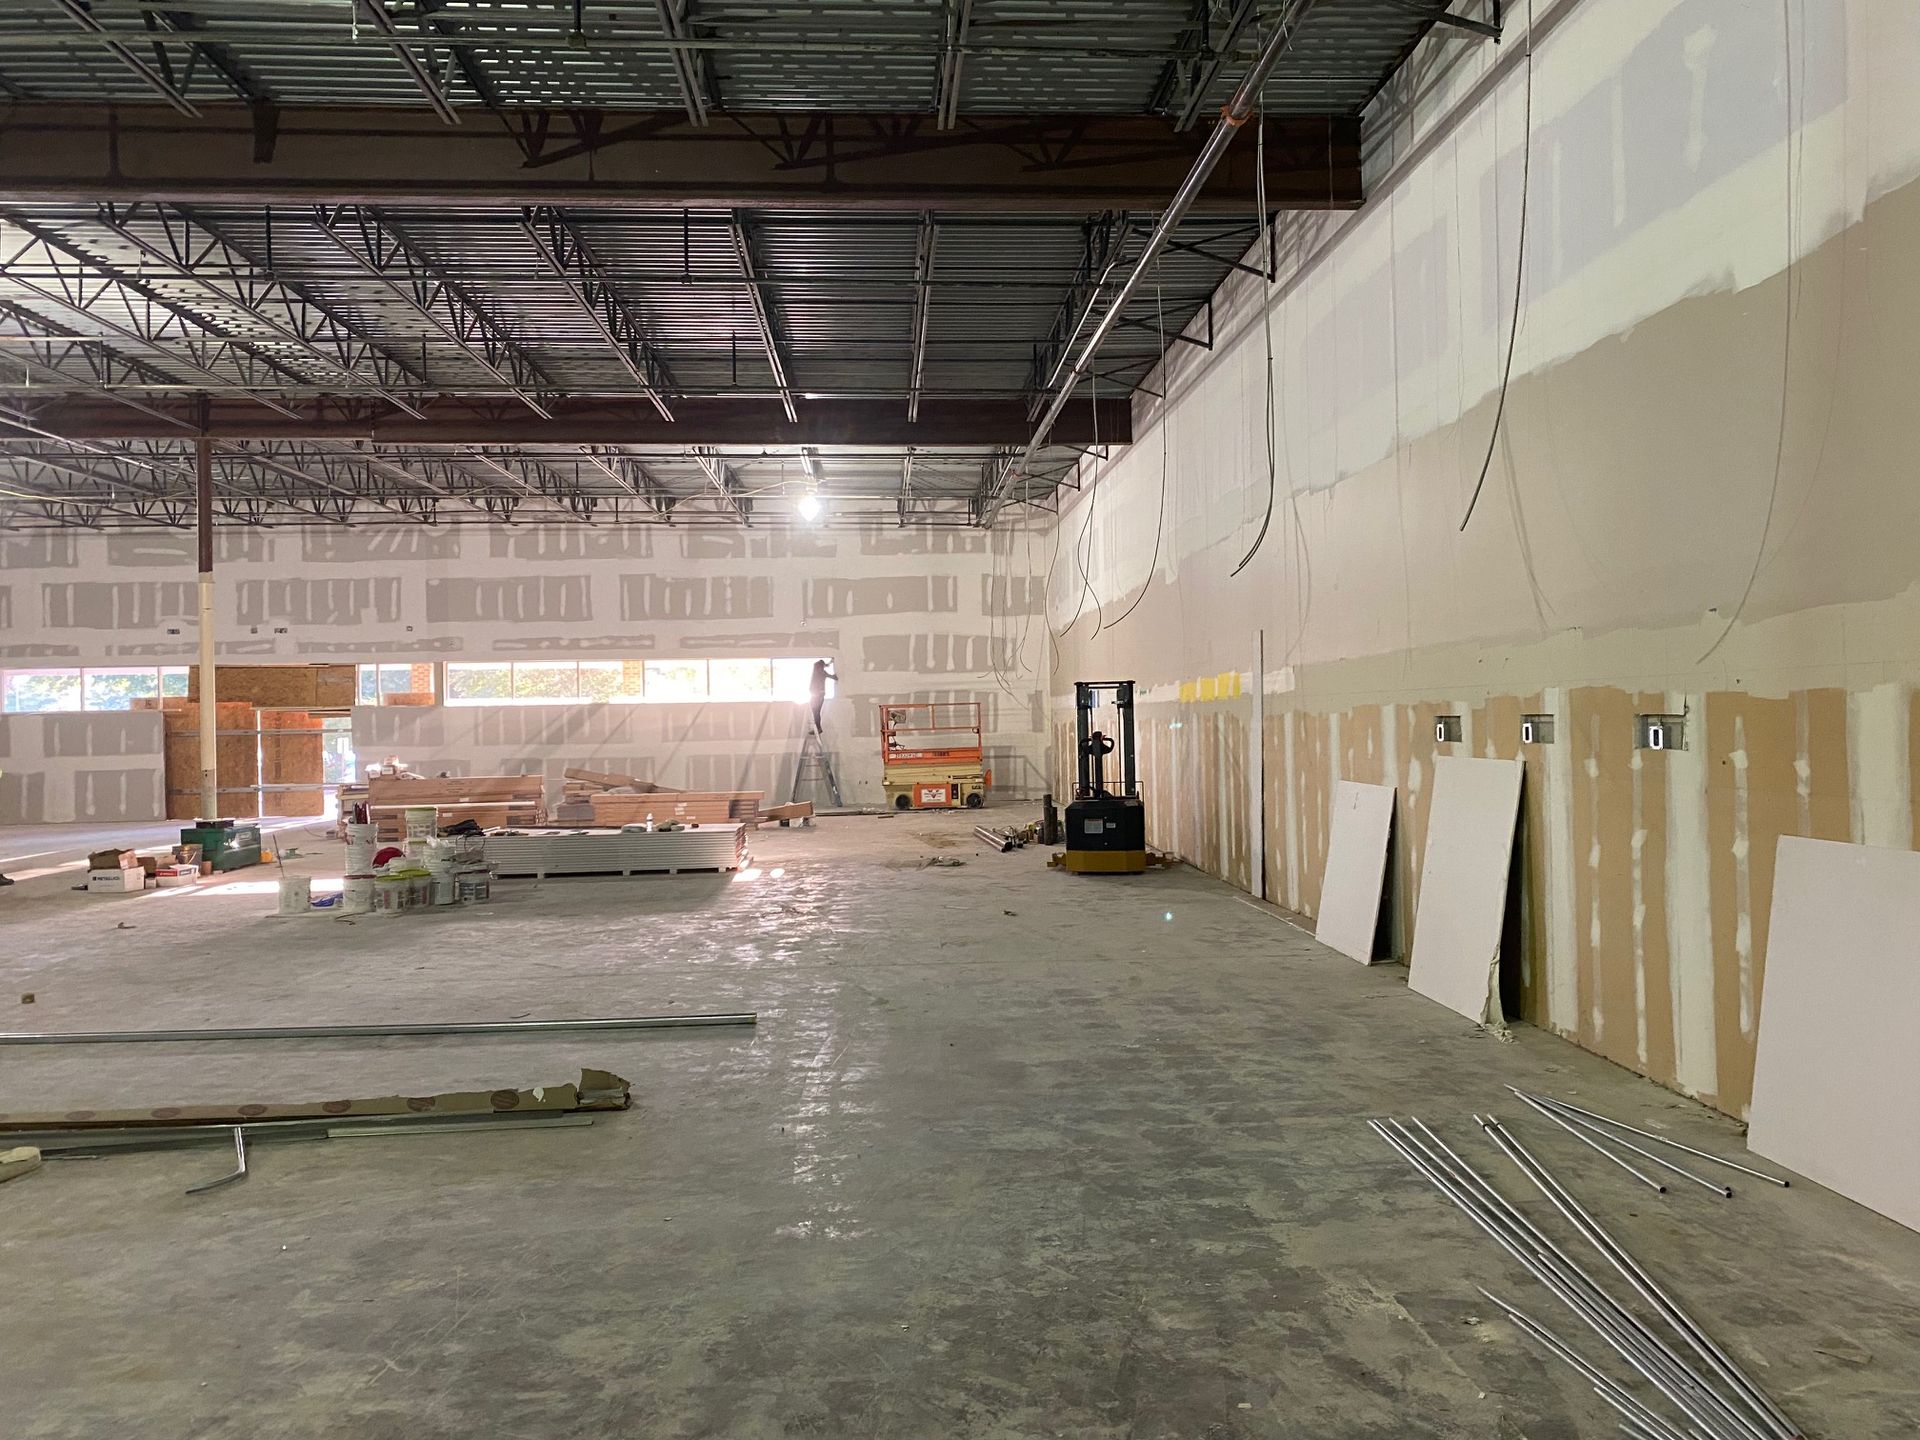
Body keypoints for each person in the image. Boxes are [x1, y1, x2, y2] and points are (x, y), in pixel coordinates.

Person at [808, 659, 837, 735]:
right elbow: (832, 676)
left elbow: (832, 676)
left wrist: (830, 664)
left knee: (816, 712)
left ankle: (818, 728)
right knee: (816, 712)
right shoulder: (821, 672)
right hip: (816, 695)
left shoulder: (819, 671)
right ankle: (818, 728)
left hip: (817, 695)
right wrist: (830, 663)